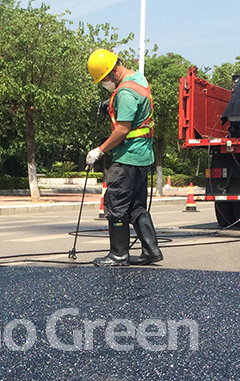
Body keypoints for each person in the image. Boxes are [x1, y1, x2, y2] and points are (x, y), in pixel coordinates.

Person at [85, 49, 162, 267]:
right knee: (136, 207)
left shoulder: (125, 92)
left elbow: (122, 130)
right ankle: (151, 250)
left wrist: (100, 150)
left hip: (128, 158)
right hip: (143, 157)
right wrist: (110, 104)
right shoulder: (137, 78)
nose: (104, 83)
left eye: (103, 79)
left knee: (116, 204)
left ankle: (119, 255)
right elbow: (136, 112)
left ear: (112, 72)